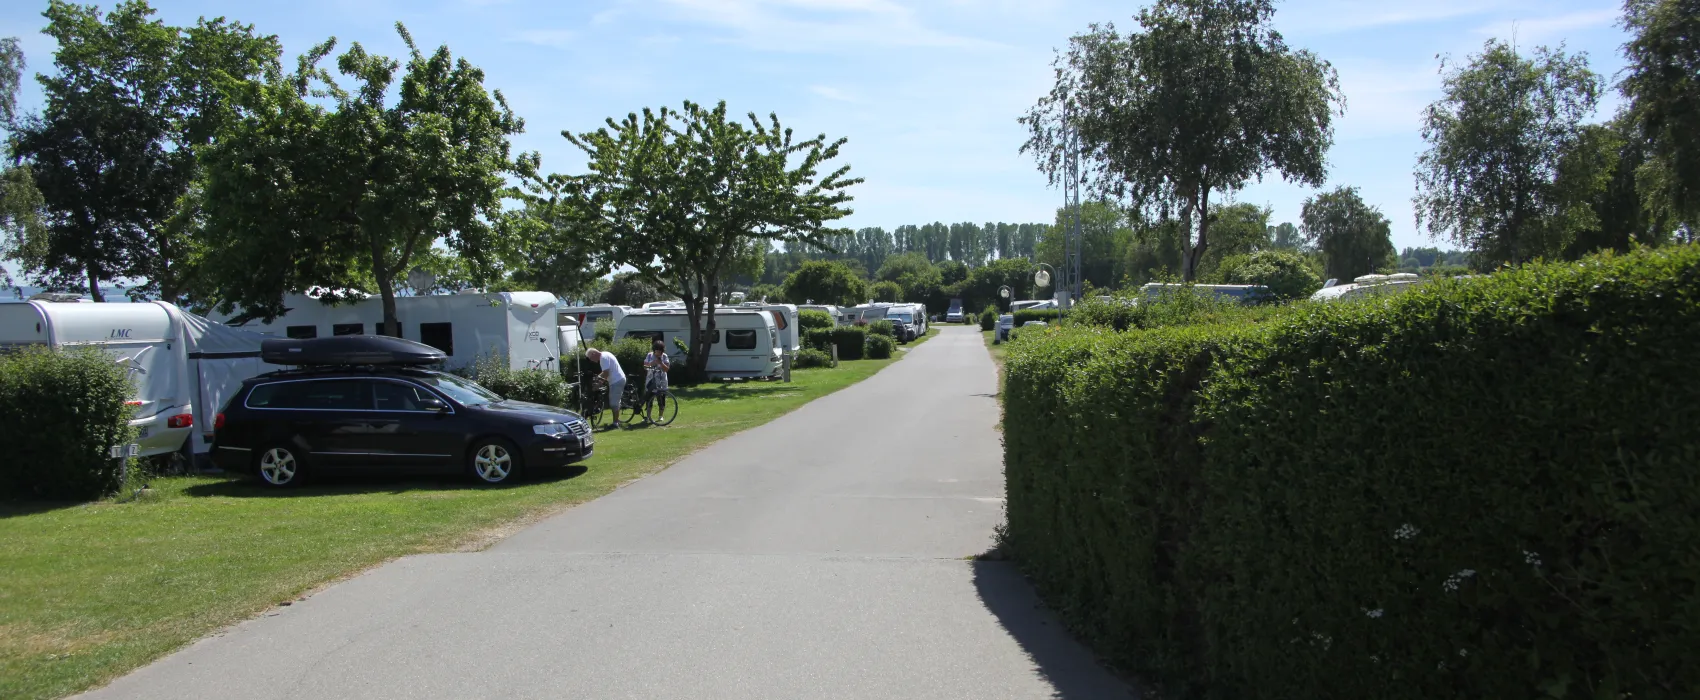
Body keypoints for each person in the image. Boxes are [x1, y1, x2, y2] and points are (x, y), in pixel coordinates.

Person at [585, 347, 626, 428]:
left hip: (616, 380)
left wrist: (598, 384)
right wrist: (598, 378)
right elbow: (605, 373)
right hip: (618, 379)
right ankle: (617, 420)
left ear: (594, 354)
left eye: (590, 358)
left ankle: (615, 423)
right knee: (615, 401)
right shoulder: (605, 354)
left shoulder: (603, 358)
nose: (591, 361)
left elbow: (606, 373)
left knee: (614, 403)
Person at [643, 339, 671, 414]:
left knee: (661, 400)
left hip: (662, 382)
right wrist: (652, 363)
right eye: (657, 350)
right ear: (654, 350)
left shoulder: (664, 356)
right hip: (651, 381)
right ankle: (648, 416)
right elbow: (645, 366)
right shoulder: (649, 355)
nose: (658, 353)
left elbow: (667, 369)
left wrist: (661, 363)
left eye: (660, 351)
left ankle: (660, 416)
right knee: (649, 400)